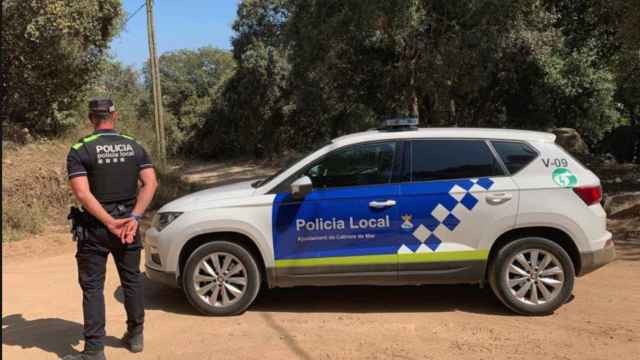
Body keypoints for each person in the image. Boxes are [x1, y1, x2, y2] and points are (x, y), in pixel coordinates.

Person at [64, 99, 158, 360]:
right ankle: (135, 336)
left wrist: (108, 221)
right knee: (132, 280)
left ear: (90, 117)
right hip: (128, 227)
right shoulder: (133, 144)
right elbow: (150, 183)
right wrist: (135, 217)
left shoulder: (80, 149)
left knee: (93, 287)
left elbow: (82, 193)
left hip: (95, 228)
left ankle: (94, 350)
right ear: (114, 115)